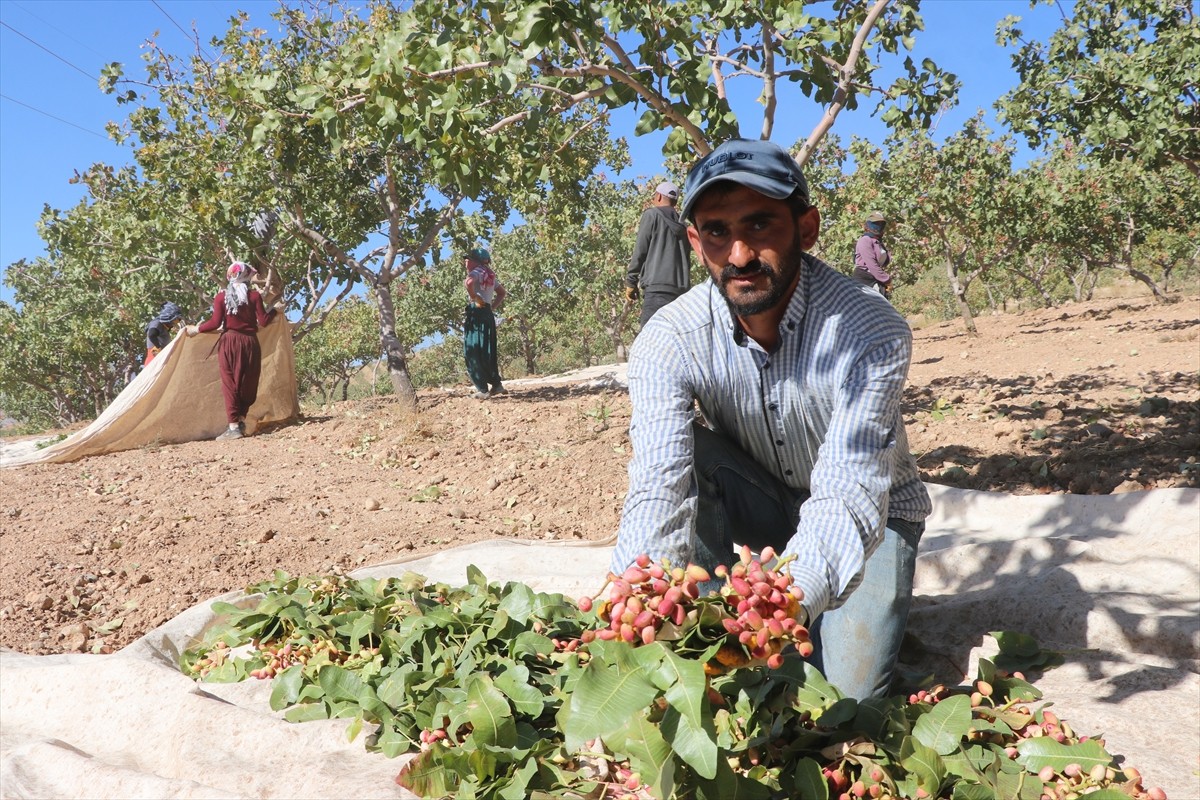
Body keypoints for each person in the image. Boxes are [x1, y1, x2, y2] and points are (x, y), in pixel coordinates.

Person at [611, 139, 931, 701]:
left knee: (842, 698)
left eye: (760, 226)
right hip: (760, 501)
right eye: (716, 232)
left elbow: (849, 489)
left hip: (870, 518)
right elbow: (659, 482)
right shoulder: (669, 339)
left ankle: (771, 617)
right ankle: (708, 624)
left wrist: (789, 598)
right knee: (692, 455)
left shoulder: (869, 331)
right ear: (694, 241)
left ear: (805, 229)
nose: (738, 255)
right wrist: (638, 587)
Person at [186, 261, 278, 440]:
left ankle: (234, 426)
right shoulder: (254, 297)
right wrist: (274, 311)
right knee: (247, 382)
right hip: (250, 343)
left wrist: (195, 330)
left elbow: (214, 323)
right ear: (245, 276)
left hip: (229, 343)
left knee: (230, 383)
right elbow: (264, 321)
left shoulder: (221, 297)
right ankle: (240, 419)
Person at [625, 180, 692, 327]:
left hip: (657, 291)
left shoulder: (652, 215)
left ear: (659, 197)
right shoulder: (685, 227)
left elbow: (640, 250)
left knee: (649, 344)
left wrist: (631, 281)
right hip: (681, 295)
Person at [463, 247, 506, 399]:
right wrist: (491, 307)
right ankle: (497, 384)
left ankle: (482, 389)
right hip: (487, 312)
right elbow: (502, 293)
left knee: (472, 350)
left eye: (468, 258)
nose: (465, 261)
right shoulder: (489, 275)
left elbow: (468, 282)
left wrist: (474, 297)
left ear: (475, 261)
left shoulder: (476, 272)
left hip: (477, 312)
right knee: (488, 349)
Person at [852, 211, 893, 298]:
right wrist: (887, 279)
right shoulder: (865, 240)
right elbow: (872, 265)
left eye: (881, 223)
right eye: (875, 223)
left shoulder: (878, 241)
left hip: (875, 280)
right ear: (868, 225)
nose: (878, 226)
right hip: (863, 281)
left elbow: (884, 261)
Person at [144, 301, 183, 366]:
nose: (176, 322)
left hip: (161, 358)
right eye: (176, 319)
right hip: (154, 359)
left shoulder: (164, 326)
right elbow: (151, 334)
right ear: (169, 316)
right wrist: (158, 347)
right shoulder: (157, 323)